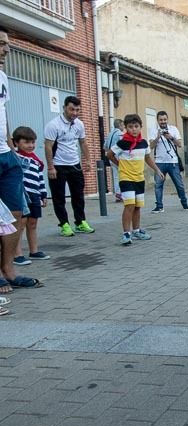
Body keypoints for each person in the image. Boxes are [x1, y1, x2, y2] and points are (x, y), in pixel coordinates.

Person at [0, 27, 43, 296]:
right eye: (1, 44)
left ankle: (9, 270)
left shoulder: (2, 76)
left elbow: (3, 114)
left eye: (6, 43)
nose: (6, 48)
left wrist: (10, 148)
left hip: (6, 156)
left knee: (17, 213)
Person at [107, 114, 164, 246]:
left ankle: (136, 231)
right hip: (126, 178)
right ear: (126, 128)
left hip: (139, 178)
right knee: (129, 205)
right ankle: (126, 233)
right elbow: (109, 154)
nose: (134, 129)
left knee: (137, 206)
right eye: (130, 127)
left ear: (140, 127)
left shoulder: (143, 143)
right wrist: (119, 164)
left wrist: (157, 170)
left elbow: (147, 158)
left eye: (136, 126)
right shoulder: (122, 143)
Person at [44, 96, 95, 237]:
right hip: (58, 165)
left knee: (78, 195)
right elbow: (48, 146)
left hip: (74, 165)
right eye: (72, 109)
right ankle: (64, 224)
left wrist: (88, 160)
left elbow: (83, 142)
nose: (75, 113)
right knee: (59, 197)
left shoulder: (79, 124)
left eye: (77, 110)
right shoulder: (53, 125)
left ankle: (80, 222)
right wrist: (50, 167)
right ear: (64, 108)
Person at [13, 127, 49, 265]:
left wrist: (43, 194)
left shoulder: (36, 161)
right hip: (21, 195)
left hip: (35, 195)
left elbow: (40, 178)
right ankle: (17, 254)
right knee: (20, 224)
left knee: (33, 223)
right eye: (26, 142)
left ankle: (34, 251)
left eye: (33, 142)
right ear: (16, 143)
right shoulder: (15, 158)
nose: (31, 145)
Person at [149, 111, 188, 212]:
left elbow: (179, 144)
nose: (163, 121)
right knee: (158, 185)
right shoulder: (153, 130)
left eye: (165, 119)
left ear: (167, 119)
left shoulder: (173, 129)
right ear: (157, 120)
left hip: (173, 162)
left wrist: (171, 137)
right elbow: (151, 146)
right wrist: (158, 137)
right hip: (159, 162)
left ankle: (184, 203)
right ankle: (159, 206)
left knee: (179, 184)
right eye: (161, 120)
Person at [104, 118, 125, 202]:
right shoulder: (120, 134)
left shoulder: (109, 134)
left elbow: (105, 147)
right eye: (123, 125)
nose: (124, 127)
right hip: (118, 156)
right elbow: (124, 145)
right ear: (119, 125)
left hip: (110, 157)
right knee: (122, 175)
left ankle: (118, 193)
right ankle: (122, 193)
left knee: (116, 176)